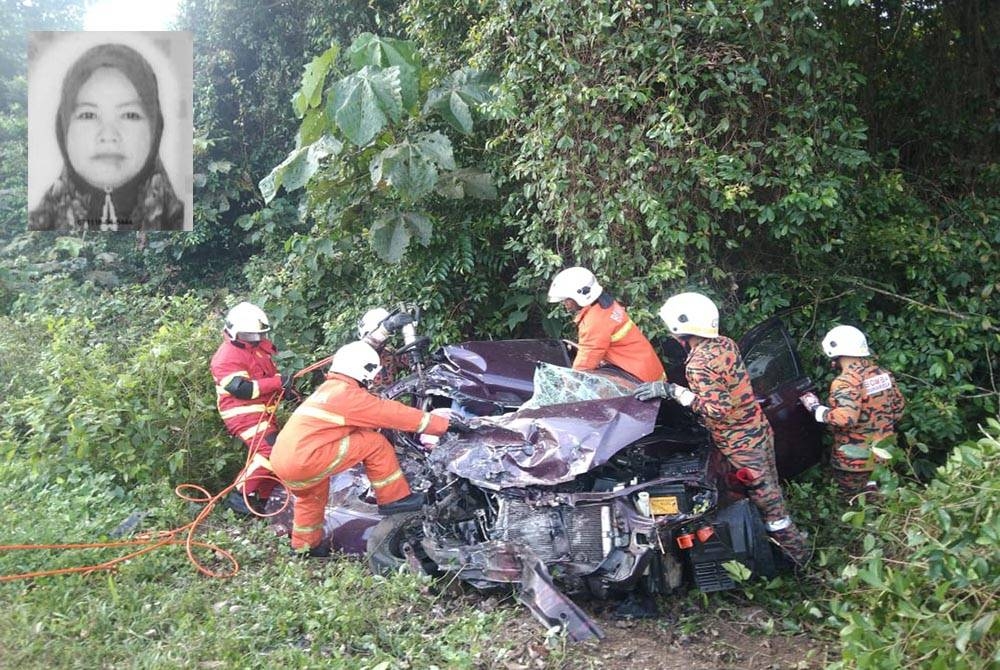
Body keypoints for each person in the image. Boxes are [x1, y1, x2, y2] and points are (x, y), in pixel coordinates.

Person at [633, 292, 811, 567]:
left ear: (682, 327)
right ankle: (783, 541)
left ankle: (798, 557)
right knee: (771, 488)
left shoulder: (699, 364)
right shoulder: (724, 344)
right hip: (758, 429)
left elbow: (718, 409)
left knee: (768, 501)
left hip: (741, 443)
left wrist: (674, 392)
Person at [270, 340, 468, 557]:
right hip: (304, 458)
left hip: (283, 459)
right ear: (363, 369)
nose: (375, 379)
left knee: (311, 499)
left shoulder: (329, 390)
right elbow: (390, 413)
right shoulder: (347, 395)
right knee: (374, 443)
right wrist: (444, 425)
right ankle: (393, 499)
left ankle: (305, 547)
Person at [29, 42, 184, 231]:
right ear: (63, 130)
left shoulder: (182, 224)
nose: (109, 135)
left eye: (130, 115)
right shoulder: (34, 232)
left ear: (155, 129)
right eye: (88, 115)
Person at [799, 325, 906, 494]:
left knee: (854, 504)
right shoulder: (883, 374)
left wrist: (815, 408)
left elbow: (846, 418)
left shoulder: (846, 382)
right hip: (884, 456)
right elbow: (898, 410)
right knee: (881, 503)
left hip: (855, 462)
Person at [210, 302, 293, 516]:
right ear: (235, 332)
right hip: (242, 414)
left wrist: (286, 388)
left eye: (258, 335)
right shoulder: (225, 358)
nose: (256, 339)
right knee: (270, 451)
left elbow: (265, 379)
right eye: (250, 335)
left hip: (263, 411)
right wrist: (277, 383)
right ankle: (238, 496)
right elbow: (242, 389)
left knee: (276, 452)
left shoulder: (256, 350)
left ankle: (267, 498)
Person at [547, 267, 666, 383]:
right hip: (647, 368)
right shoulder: (605, 305)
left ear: (581, 295)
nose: (564, 303)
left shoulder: (595, 321)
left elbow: (586, 359)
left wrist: (570, 383)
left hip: (638, 378)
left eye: (567, 299)